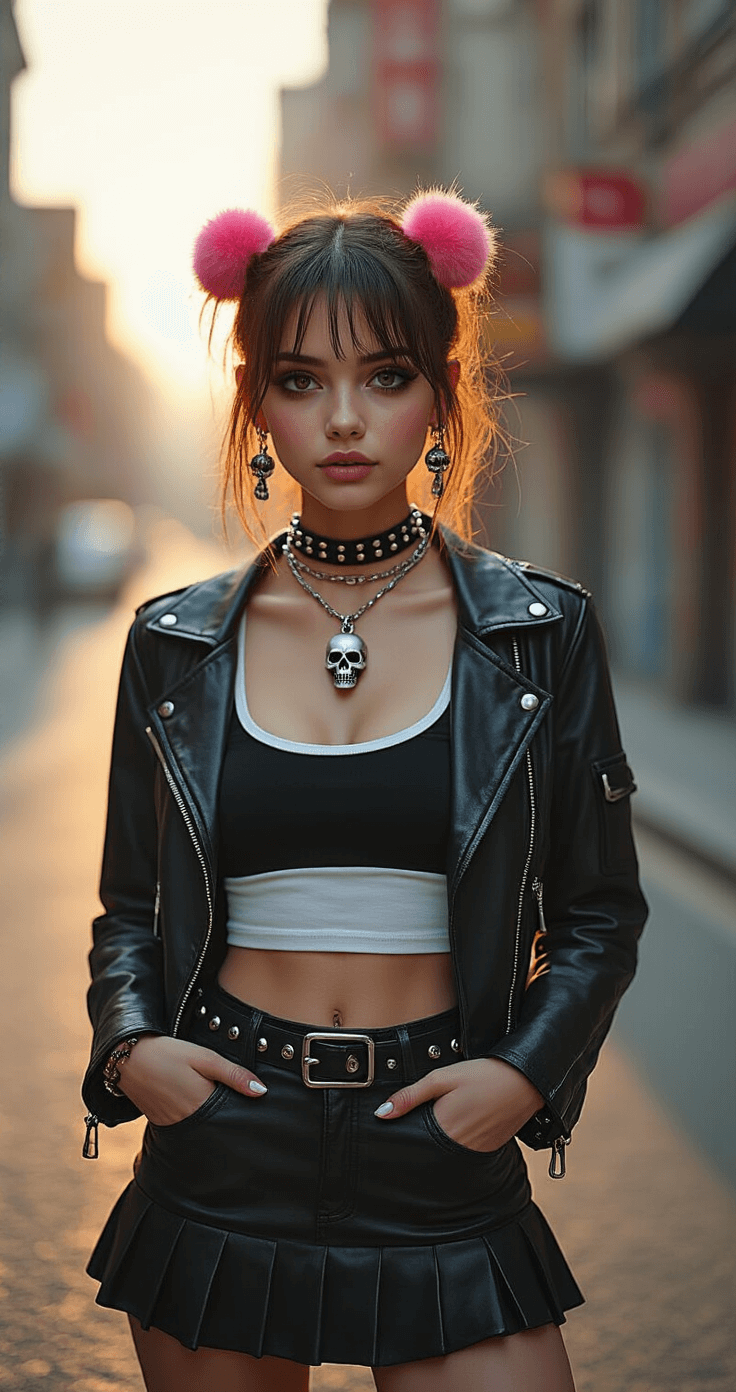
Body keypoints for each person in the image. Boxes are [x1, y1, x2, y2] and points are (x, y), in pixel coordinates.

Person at [82, 190, 647, 1392]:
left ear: (440, 393)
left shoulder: (539, 635)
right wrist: (133, 1047)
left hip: (439, 1142)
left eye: (384, 376)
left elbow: (599, 911)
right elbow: (128, 903)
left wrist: (524, 1073)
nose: (343, 419)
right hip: (223, 1137)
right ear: (255, 404)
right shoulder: (175, 644)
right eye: (298, 380)